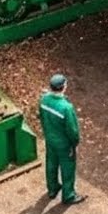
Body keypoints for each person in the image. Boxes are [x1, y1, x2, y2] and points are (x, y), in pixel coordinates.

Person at [38, 74, 85, 205]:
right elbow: (72, 131)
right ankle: (68, 195)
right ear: (63, 87)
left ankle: (52, 189)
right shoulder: (66, 107)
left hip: (50, 140)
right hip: (64, 145)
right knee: (67, 168)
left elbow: (41, 117)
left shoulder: (43, 100)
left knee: (51, 164)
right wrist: (74, 144)